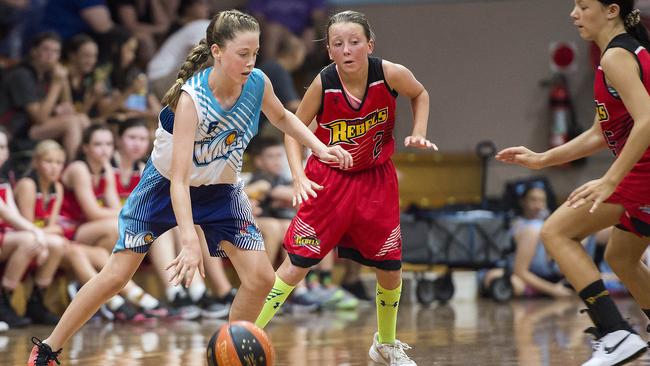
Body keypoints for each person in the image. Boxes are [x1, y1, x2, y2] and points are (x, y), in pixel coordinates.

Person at [28, 9, 350, 365]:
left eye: (255, 53)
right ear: (216, 52)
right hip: (164, 187)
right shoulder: (191, 99)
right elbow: (179, 181)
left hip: (221, 191)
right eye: (242, 53)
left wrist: (321, 148)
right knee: (116, 276)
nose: (250, 61)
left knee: (260, 279)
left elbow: (283, 117)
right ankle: (47, 349)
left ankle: (232, 356)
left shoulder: (258, 82)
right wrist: (188, 241)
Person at [254, 10, 436, 366]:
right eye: (338, 44)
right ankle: (250, 334)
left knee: (390, 267)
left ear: (369, 45)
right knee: (296, 266)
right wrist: (298, 175)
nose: (347, 49)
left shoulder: (390, 74)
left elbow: (421, 93)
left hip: (375, 179)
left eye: (354, 42)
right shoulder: (324, 83)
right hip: (328, 179)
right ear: (330, 52)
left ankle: (385, 344)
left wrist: (420, 131)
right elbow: (291, 129)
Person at [496, 1, 650, 365]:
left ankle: (614, 334)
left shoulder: (617, 56)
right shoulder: (621, 54)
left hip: (644, 170)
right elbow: (601, 133)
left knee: (556, 232)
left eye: (583, 5)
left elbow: (647, 121)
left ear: (611, 10)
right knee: (621, 257)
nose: (574, 13)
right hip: (641, 168)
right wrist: (542, 158)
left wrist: (611, 180)